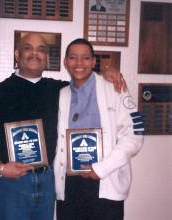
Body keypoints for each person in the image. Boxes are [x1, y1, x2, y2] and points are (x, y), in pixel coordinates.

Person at [0, 33, 126, 220]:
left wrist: (107, 71)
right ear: (17, 54)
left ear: (47, 58)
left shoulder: (60, 90)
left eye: (41, 49)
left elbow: (85, 79)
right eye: (28, 48)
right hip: (12, 183)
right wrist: (1, 168)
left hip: (48, 182)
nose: (35, 53)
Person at [54, 38, 144, 220]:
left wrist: (102, 168)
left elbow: (136, 133)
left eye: (86, 58)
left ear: (94, 62)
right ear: (66, 62)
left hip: (106, 180)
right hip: (69, 185)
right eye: (73, 57)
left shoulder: (115, 88)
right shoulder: (60, 94)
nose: (79, 63)